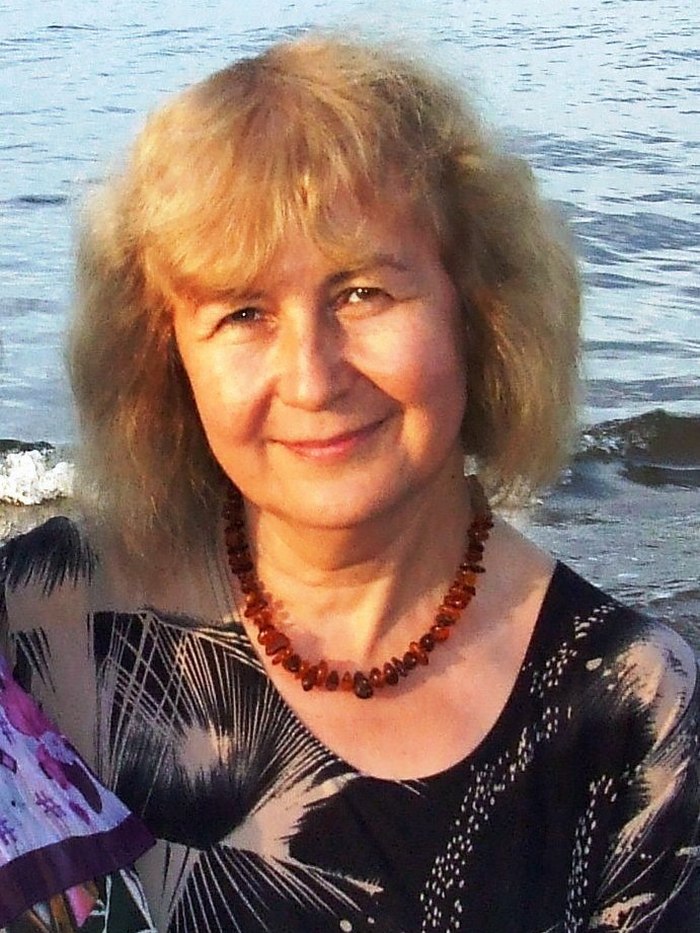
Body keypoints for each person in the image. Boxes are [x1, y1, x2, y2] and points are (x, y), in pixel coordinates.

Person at [1, 34, 699, 932]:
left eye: (363, 293)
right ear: (165, 360)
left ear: (480, 310)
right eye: (243, 311)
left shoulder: (638, 719)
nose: (313, 377)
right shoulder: (38, 622)